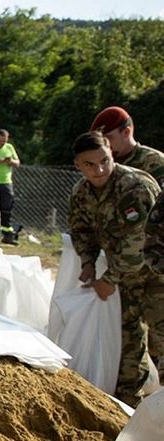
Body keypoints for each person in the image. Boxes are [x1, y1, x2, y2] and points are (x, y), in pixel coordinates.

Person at [68, 131, 164, 407]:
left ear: (112, 154)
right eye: (89, 164)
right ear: (77, 165)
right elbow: (81, 231)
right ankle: (130, 408)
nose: (99, 170)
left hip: (156, 276)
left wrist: (109, 279)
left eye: (104, 161)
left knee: (162, 342)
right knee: (126, 346)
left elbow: (139, 242)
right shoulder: (81, 193)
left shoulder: (134, 186)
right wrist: (87, 262)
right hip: (125, 282)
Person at [91, 106, 164, 187]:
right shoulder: (100, 164)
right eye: (99, 140)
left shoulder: (154, 161)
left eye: (108, 138)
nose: (103, 144)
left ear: (126, 132)